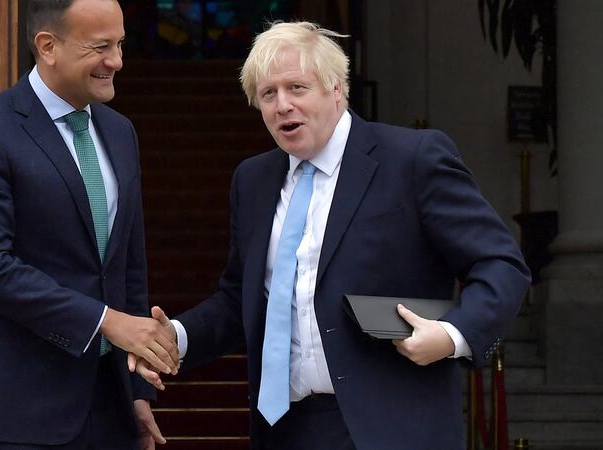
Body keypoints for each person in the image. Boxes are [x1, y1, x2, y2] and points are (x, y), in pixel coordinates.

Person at [135, 21, 530, 450]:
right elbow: (240, 300)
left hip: (392, 428)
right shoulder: (252, 180)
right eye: (268, 94)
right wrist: (177, 336)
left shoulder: (412, 160)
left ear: (337, 89)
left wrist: (451, 336)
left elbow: (501, 265)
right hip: (287, 430)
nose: (282, 105)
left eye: (297, 88)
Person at [0, 0, 179, 448]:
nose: (117, 61)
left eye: (121, 44)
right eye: (101, 47)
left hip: (109, 412)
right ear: (47, 47)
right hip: (13, 413)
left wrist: (138, 395)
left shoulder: (120, 132)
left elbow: (128, 266)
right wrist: (107, 322)